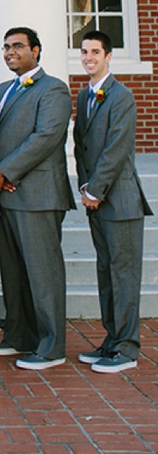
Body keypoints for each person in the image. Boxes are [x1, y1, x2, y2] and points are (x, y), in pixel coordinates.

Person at [0, 27, 73, 370]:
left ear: (36, 50)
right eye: (6, 46)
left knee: (43, 272)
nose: (10, 51)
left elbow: (46, 136)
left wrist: (5, 171)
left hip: (37, 195)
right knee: (14, 272)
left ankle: (52, 346)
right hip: (3, 196)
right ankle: (20, 335)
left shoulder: (54, 89)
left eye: (18, 46)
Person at [74, 30, 153, 374]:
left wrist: (96, 189)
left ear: (109, 57)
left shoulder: (122, 97)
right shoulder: (83, 96)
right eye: (84, 51)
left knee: (123, 275)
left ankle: (127, 347)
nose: (89, 57)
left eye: (95, 51)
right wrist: (84, 184)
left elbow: (116, 149)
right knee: (106, 274)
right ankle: (111, 340)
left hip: (119, 201)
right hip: (96, 198)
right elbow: (81, 147)